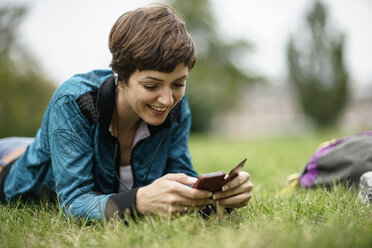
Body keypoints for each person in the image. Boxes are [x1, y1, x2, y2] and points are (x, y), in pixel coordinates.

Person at [0, 4, 253, 220]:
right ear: (121, 77)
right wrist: (139, 202)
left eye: (178, 84)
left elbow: (180, 174)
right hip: (8, 165)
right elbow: (74, 203)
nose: (167, 100)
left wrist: (218, 197)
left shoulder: (177, 106)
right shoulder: (73, 101)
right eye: (151, 85)